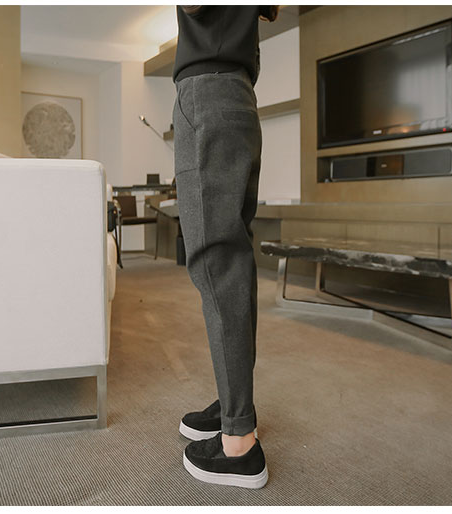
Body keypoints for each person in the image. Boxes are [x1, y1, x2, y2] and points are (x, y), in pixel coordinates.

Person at [172, 5, 278, 489]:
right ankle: (234, 405)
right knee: (232, 261)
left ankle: (239, 443)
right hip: (238, 96)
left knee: (217, 262)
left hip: (207, 95)